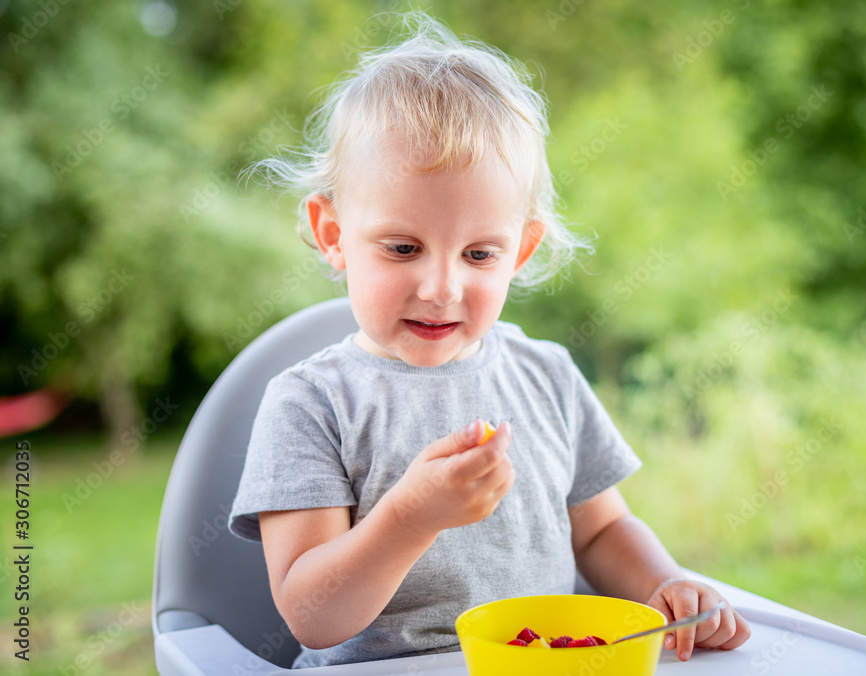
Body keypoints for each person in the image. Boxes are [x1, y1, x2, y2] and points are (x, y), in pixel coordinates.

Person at [229, 12, 750, 668]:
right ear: (333, 234)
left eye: (479, 254)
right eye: (402, 247)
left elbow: (603, 531)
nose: (442, 286)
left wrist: (662, 582)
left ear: (521, 252)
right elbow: (312, 615)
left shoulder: (547, 376)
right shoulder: (310, 405)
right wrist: (410, 516)